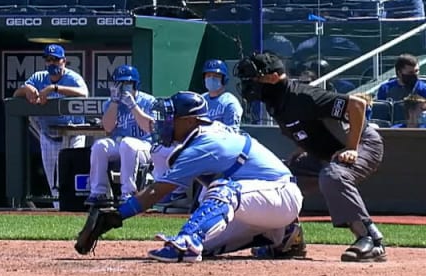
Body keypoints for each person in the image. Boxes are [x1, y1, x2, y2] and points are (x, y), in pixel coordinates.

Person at [74, 91, 305, 264]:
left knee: (222, 191)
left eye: (171, 117)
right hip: (262, 204)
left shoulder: (204, 144)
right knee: (209, 244)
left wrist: (117, 215)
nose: (165, 122)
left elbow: (157, 191)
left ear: (190, 120)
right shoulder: (201, 135)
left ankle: (188, 240)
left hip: (280, 193)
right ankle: (282, 235)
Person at [235, 51, 387, 262]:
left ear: (272, 77)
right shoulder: (275, 103)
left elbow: (357, 105)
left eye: (254, 78)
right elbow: (301, 130)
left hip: (363, 143)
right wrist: (302, 151)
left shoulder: (303, 96)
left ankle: (370, 239)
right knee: (278, 178)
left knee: (333, 175)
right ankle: (289, 241)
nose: (249, 84)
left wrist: (352, 148)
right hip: (325, 153)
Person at [12, 44, 90, 205]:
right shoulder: (38, 77)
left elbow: (84, 93)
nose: (52, 63)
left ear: (64, 61)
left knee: (70, 176)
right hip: (49, 135)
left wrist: (54, 88)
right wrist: (27, 89)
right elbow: (15, 95)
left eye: (56, 59)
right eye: (48, 59)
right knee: (53, 181)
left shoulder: (72, 77)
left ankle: (74, 208)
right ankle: (58, 211)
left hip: (72, 134)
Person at [85, 65, 155, 206]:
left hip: (145, 146)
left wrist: (133, 106)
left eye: (127, 83)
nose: (123, 87)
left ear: (135, 84)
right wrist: (114, 103)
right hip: (120, 144)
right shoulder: (110, 103)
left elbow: (149, 128)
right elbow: (108, 128)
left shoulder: (148, 101)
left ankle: (128, 193)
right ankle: (98, 192)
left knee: (128, 144)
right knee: (100, 146)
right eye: (120, 83)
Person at [200, 59, 243, 130]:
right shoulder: (200, 100)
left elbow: (232, 133)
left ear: (224, 79)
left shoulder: (230, 102)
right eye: (208, 75)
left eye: (216, 76)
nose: (211, 78)